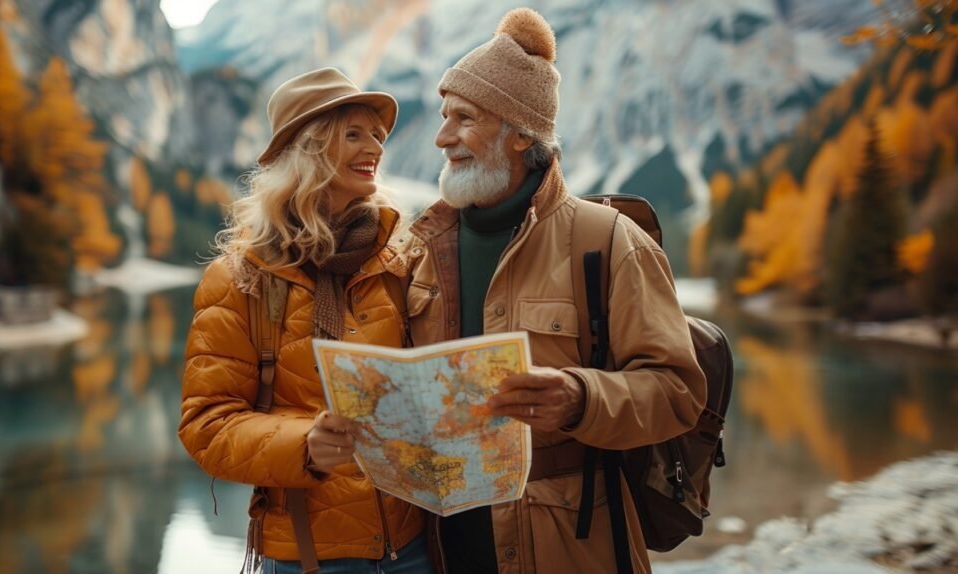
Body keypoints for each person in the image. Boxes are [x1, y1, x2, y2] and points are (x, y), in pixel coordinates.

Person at [403, 8, 707, 574]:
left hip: (568, 545)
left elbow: (677, 393)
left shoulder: (610, 241)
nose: (442, 138)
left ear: (520, 134)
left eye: (463, 118)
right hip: (436, 547)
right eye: (444, 117)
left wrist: (580, 398)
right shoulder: (421, 245)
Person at [178, 67, 431, 574]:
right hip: (308, 556)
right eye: (353, 135)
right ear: (307, 149)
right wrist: (306, 447)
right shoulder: (240, 278)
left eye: (377, 136)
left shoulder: (402, 258)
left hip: (415, 548)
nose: (375, 149)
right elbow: (206, 424)